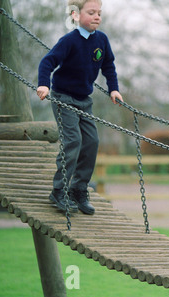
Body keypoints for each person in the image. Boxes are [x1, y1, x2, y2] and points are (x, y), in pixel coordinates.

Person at [37, 0, 123, 215]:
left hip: (85, 101)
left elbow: (108, 65)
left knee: (92, 141)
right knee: (73, 140)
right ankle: (59, 190)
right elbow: (47, 62)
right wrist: (43, 84)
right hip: (63, 98)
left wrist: (113, 88)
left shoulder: (101, 40)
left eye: (99, 13)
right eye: (91, 12)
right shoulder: (69, 41)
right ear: (75, 15)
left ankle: (79, 188)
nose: (97, 17)